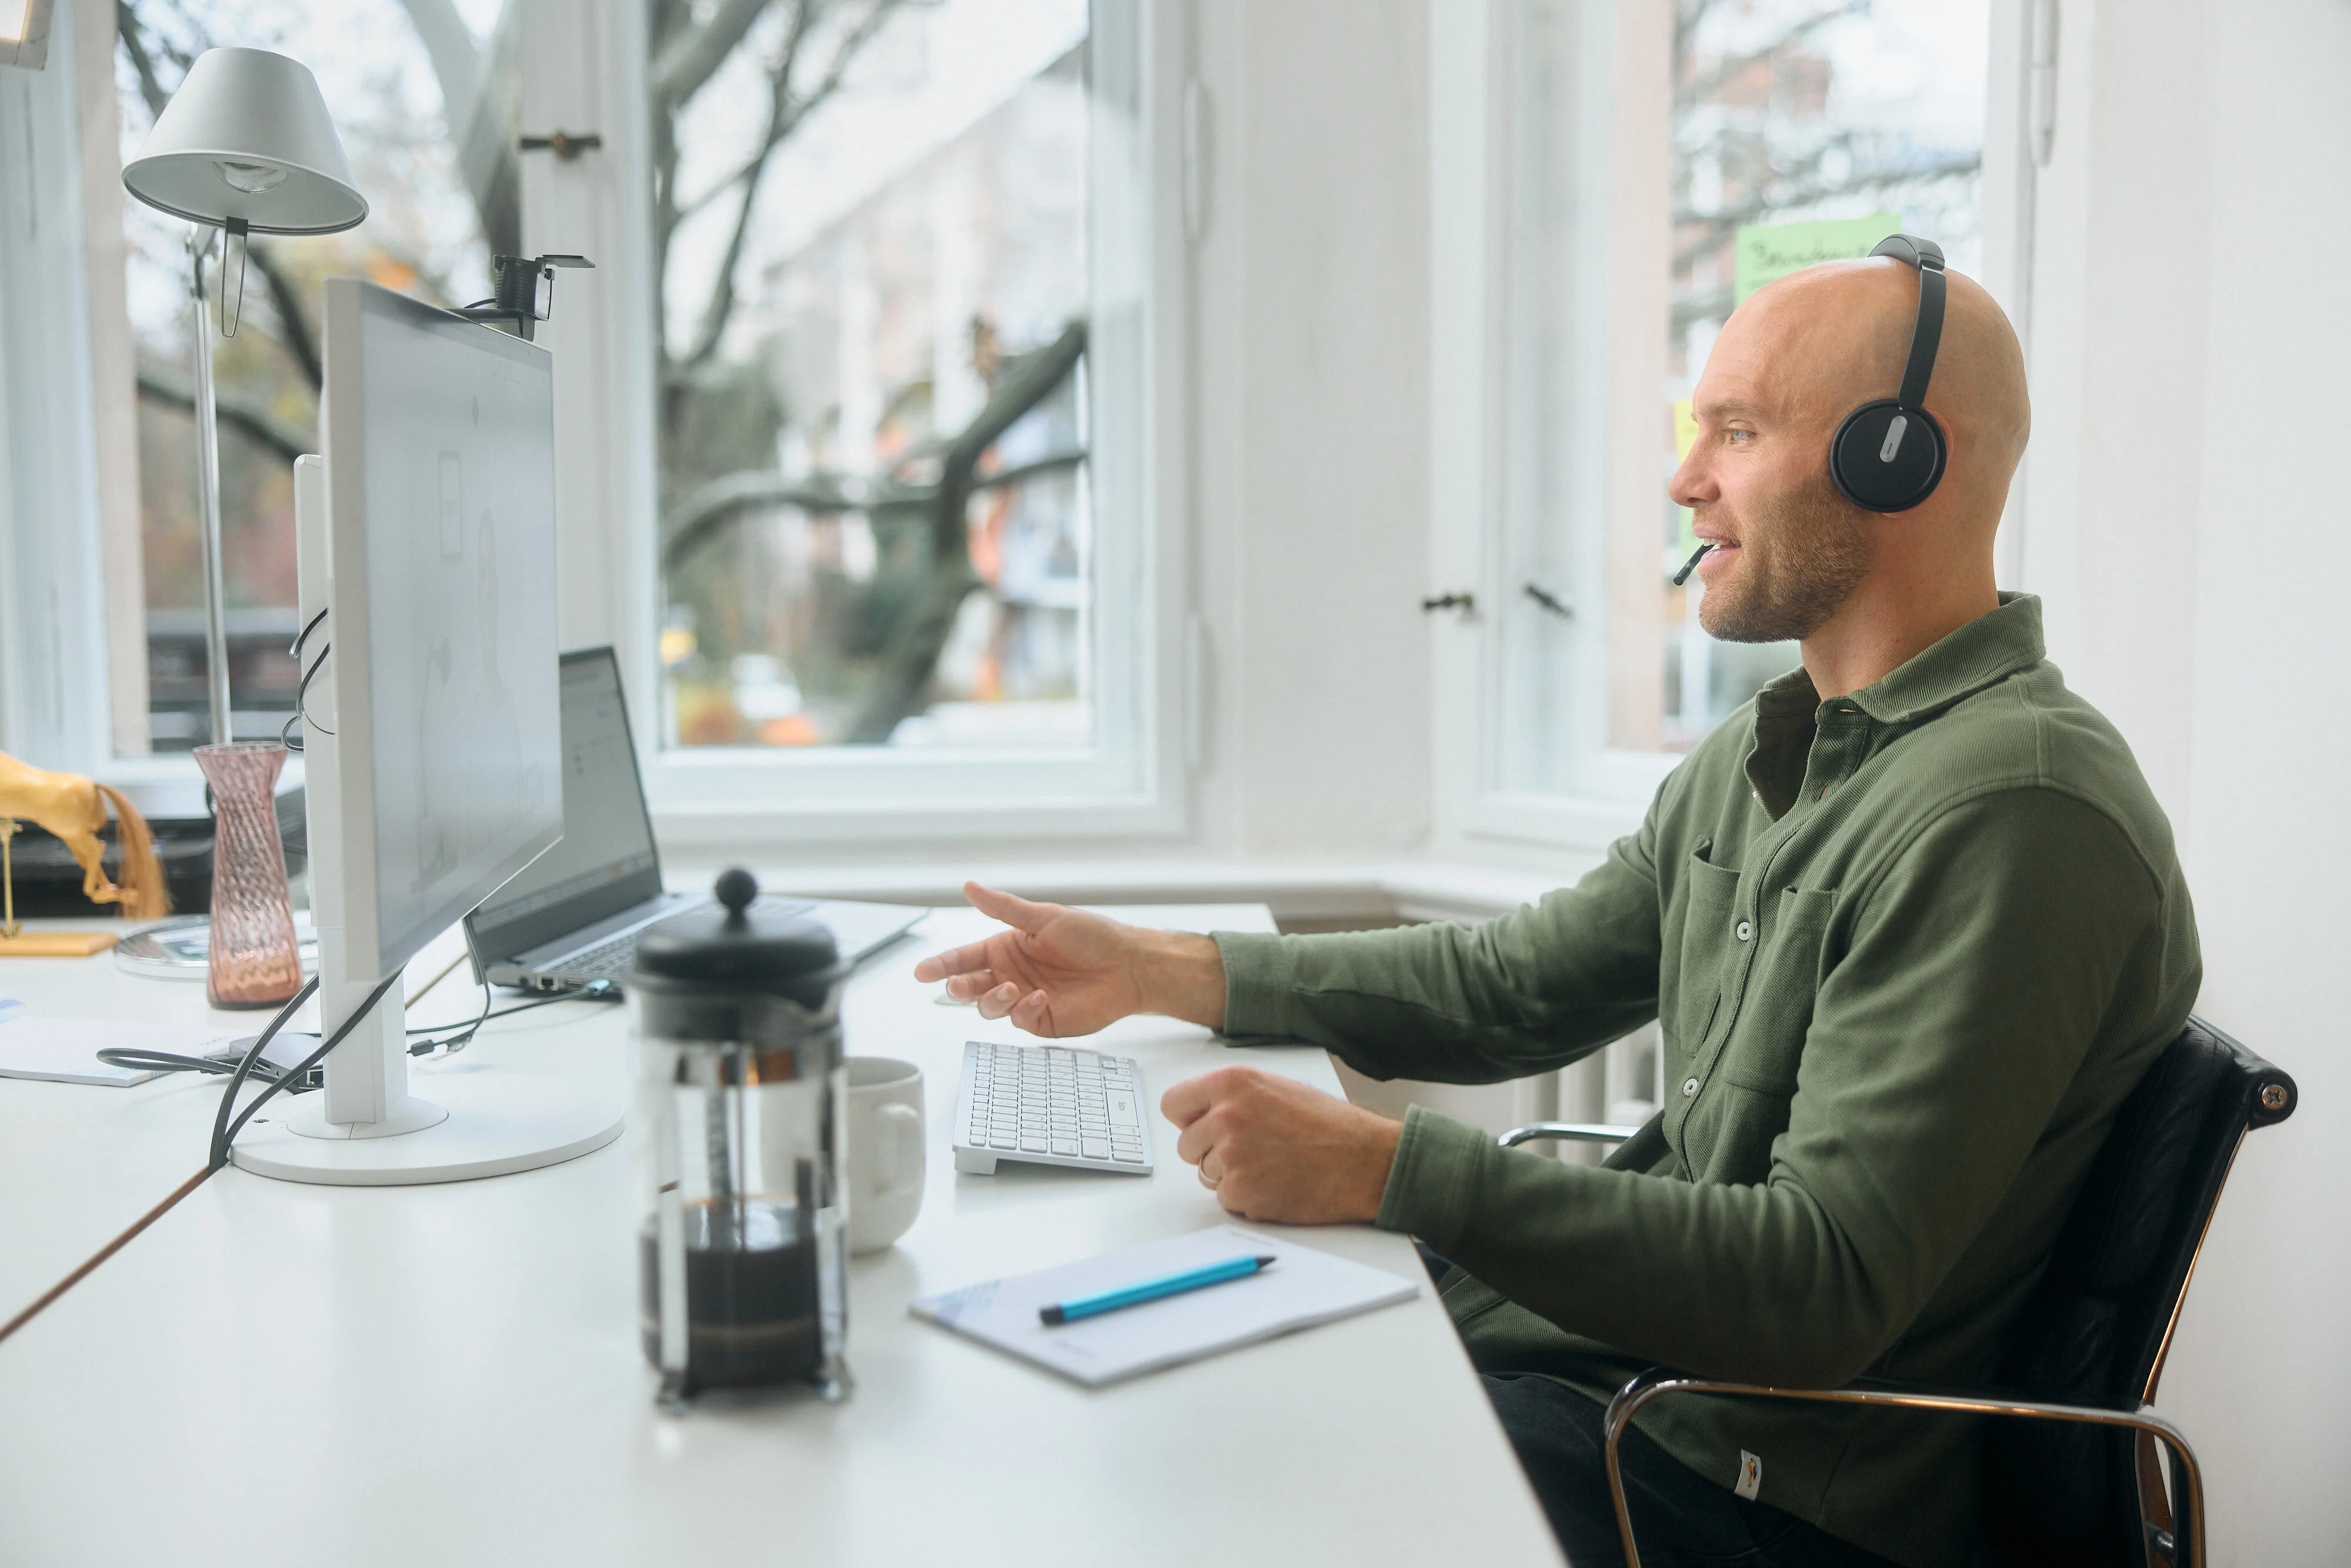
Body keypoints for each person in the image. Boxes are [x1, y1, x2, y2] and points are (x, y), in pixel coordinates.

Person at [912, 253, 2198, 1568]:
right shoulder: (1774, 753)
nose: (1682, 476)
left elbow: (1816, 1286)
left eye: (1736, 430)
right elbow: (1513, 983)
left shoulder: (2012, 814)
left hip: (1754, 1496)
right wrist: (1160, 966)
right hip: (1626, 1395)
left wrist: (1388, 1169)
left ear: (1893, 460)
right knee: (1161, 1414)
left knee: (1197, 1474)